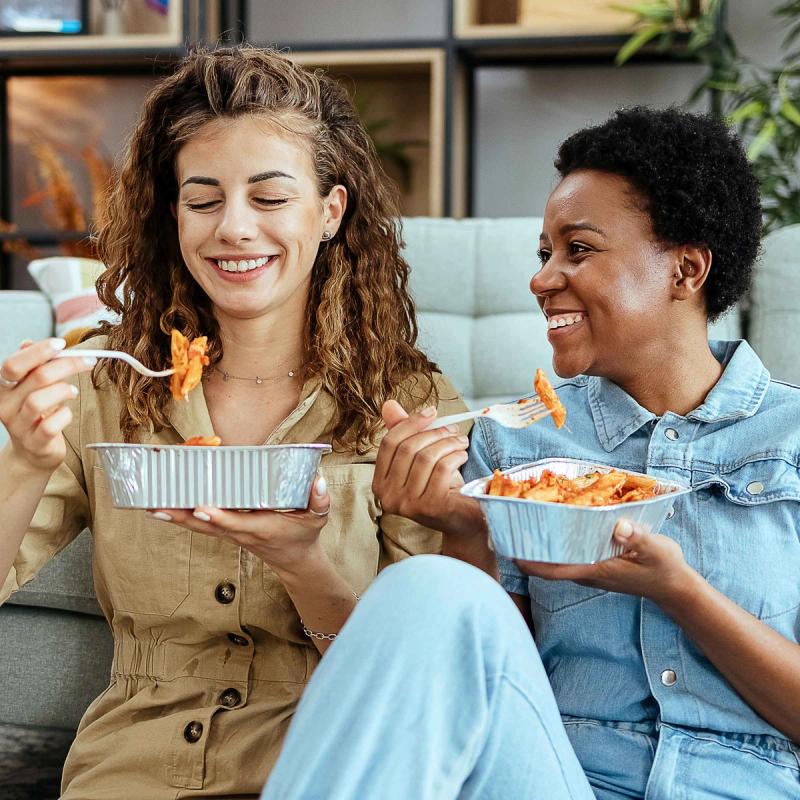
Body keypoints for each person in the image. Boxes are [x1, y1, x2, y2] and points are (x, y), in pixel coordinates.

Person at [261, 107, 800, 800]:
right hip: (559, 778)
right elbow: (481, 681)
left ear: (686, 270)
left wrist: (678, 589)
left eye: (578, 250)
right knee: (429, 586)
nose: (544, 280)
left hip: (748, 783)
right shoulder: (514, 441)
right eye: (544, 254)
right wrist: (463, 531)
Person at [0, 46, 467, 798]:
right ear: (173, 213)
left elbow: (415, 676)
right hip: (131, 770)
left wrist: (301, 563)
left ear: (330, 212)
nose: (234, 229)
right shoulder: (110, 381)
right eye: (205, 198)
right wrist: (21, 460)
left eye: (270, 198)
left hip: (327, 759)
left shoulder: (405, 401)